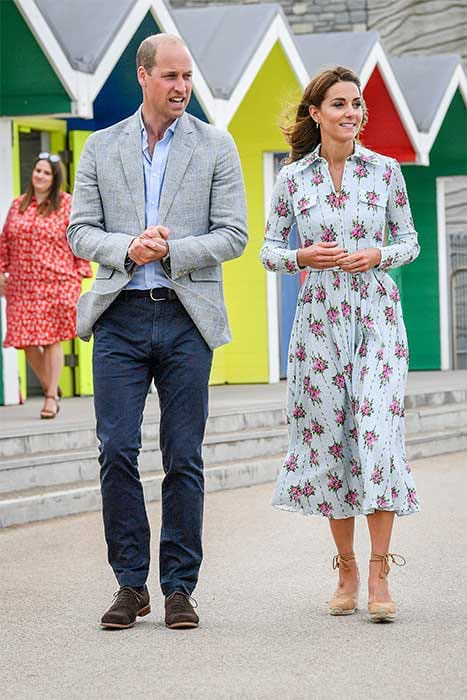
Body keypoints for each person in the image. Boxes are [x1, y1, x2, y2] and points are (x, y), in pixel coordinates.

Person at [68, 33, 247, 630]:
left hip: (184, 316)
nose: (181, 87)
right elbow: (80, 231)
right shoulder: (99, 147)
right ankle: (129, 585)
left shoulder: (216, 147)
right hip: (119, 317)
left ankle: (177, 588)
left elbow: (234, 234)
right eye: (170, 76)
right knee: (116, 449)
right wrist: (127, 248)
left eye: (187, 77)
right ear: (143, 76)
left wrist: (170, 251)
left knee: (183, 455)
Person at [260, 66, 420, 622]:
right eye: (339, 104)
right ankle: (345, 568)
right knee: (332, 442)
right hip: (319, 322)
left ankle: (380, 573)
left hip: (376, 317)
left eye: (357, 105)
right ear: (316, 113)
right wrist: (303, 258)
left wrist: (379, 255)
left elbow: (409, 241)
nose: (351, 113)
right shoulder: (293, 180)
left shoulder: (385, 172)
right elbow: (269, 251)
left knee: (375, 434)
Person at [0, 154, 92, 418]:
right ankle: (50, 383)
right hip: (21, 284)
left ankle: (50, 397)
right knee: (26, 340)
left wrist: (79, 273)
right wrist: (1, 272)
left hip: (57, 281)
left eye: (46, 173)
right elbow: (5, 239)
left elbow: (79, 239)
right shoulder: (19, 204)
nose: (40, 176)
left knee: (51, 339)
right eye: (37, 171)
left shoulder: (66, 204)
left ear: (55, 178)